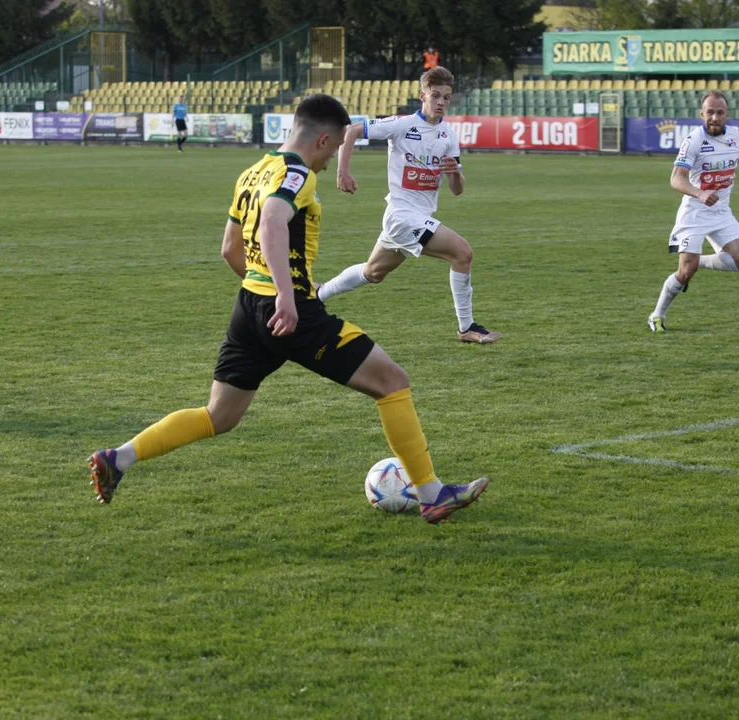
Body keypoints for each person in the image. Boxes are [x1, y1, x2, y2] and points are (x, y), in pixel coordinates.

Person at [87, 94, 489, 524]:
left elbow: (229, 249)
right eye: (333, 150)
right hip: (289, 311)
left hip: (249, 308)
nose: (330, 159)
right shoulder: (298, 173)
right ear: (322, 140)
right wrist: (286, 293)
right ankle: (431, 494)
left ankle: (120, 458)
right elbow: (273, 221)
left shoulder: (253, 171)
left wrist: (266, 287)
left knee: (218, 415)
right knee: (392, 382)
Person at [317, 67, 503, 345]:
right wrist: (342, 171)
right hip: (402, 216)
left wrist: (454, 173)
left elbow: (457, 190)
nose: (441, 102)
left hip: (415, 218)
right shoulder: (403, 125)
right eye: (436, 95)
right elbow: (353, 130)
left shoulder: (448, 136)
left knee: (373, 273)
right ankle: (467, 327)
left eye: (447, 98)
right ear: (422, 96)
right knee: (462, 253)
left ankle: (318, 295)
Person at [648, 91, 739, 331]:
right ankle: (657, 315)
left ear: (727, 114)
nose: (714, 117)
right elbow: (676, 179)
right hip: (695, 214)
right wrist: (699, 193)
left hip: (721, 213)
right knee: (685, 272)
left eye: (720, 112)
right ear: (702, 114)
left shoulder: (738, 138)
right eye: (710, 112)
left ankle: (701, 262)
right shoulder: (694, 141)